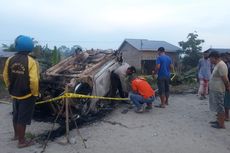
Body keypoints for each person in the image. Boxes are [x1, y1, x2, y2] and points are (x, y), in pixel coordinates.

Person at [3, 35, 40, 148]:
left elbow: (5, 75)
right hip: (27, 94)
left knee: (16, 115)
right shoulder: (31, 61)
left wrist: (10, 87)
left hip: (15, 93)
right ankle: (22, 141)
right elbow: (34, 80)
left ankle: (16, 136)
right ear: (30, 46)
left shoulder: (10, 59)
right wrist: (35, 93)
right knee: (22, 119)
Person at [208, 51, 229, 129]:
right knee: (217, 107)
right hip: (215, 89)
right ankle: (218, 121)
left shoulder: (221, 65)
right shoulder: (217, 65)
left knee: (220, 107)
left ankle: (221, 124)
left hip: (219, 90)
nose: (210, 60)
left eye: (210, 58)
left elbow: (225, 79)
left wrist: (228, 87)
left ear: (214, 57)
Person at [220, 53, 230, 121]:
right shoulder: (226, 64)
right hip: (226, 85)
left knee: (226, 101)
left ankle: (226, 116)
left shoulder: (226, 65)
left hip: (228, 85)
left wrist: (228, 85)